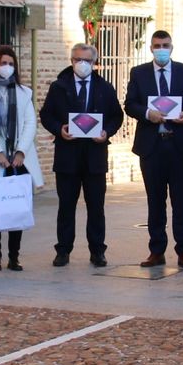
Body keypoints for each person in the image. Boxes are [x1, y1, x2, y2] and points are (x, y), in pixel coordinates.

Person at [123, 30, 183, 269]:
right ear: (151, 48)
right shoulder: (139, 73)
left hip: (179, 146)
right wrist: (149, 114)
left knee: (181, 202)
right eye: (157, 45)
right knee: (155, 201)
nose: (161, 48)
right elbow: (130, 104)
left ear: (171, 47)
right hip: (152, 147)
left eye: (165, 45)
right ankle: (156, 250)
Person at [39, 43, 124, 267]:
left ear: (95, 63)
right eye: (77, 59)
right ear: (71, 60)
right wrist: (60, 129)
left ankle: (97, 250)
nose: (81, 64)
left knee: (96, 206)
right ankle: (63, 250)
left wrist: (107, 132)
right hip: (68, 156)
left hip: (95, 156)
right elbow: (46, 115)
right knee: (66, 205)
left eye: (86, 60)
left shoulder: (105, 87)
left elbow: (116, 116)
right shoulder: (59, 86)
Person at [0, 45, 41, 271]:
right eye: (3, 63)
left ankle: (14, 256)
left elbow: (30, 122)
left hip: (19, 159)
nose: (7, 67)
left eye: (11, 64)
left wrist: (21, 151)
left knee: (17, 206)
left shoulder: (24, 92)